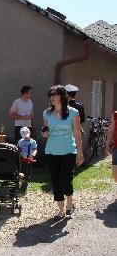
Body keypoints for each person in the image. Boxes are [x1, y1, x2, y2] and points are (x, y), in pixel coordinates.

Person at [41, 85, 84, 221]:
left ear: (62, 96)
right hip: (51, 151)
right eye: (50, 95)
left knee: (65, 179)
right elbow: (45, 133)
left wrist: (80, 153)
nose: (52, 97)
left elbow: (77, 134)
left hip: (69, 151)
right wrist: (44, 133)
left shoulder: (73, 112)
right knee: (55, 181)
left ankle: (70, 202)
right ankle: (61, 209)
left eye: (55, 94)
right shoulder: (46, 113)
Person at [105, 112, 117, 182]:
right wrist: (107, 144)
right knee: (115, 172)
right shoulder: (115, 115)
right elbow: (111, 130)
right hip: (116, 147)